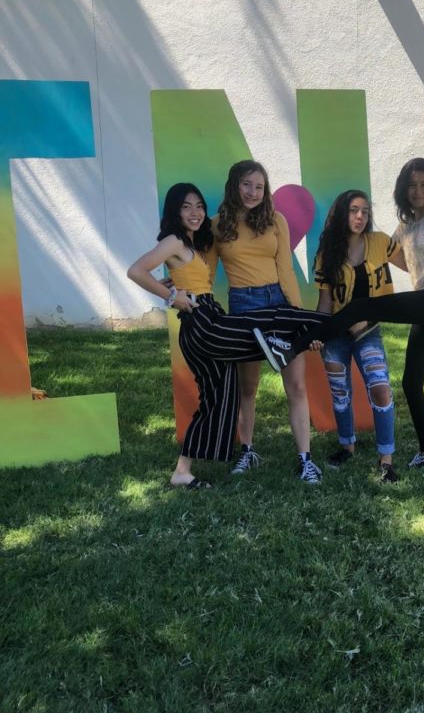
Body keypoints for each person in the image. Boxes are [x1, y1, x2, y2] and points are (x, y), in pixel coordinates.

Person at [254, 158, 424, 470]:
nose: (418, 191)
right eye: (412, 185)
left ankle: (291, 349)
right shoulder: (404, 228)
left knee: (360, 307)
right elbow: (403, 261)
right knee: (411, 384)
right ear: (403, 190)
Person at [127, 182, 326, 488]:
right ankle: (311, 331)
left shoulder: (190, 245)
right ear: (174, 211)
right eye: (186, 206)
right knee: (267, 322)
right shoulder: (173, 241)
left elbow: (178, 274)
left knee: (219, 398)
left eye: (199, 206)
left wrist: (172, 285)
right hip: (202, 322)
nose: (194, 213)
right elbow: (136, 270)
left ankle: (183, 471)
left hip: (207, 315)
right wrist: (172, 297)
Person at [213, 160, 321, 484]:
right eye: (247, 184)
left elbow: (286, 269)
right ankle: (247, 452)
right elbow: (202, 272)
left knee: (297, 386)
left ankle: (305, 460)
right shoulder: (218, 225)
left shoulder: (276, 220)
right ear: (235, 185)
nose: (253, 192)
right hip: (243, 307)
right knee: (248, 388)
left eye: (259, 186)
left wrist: (300, 317)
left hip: (279, 303)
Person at [314, 189, 400, 484]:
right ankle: (346, 445)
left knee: (380, 389)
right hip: (336, 334)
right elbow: (325, 302)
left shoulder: (379, 242)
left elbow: (413, 261)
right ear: (342, 214)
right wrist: (319, 333)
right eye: (353, 210)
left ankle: (386, 458)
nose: (360, 216)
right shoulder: (327, 252)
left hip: (369, 331)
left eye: (364, 210)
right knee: (340, 393)